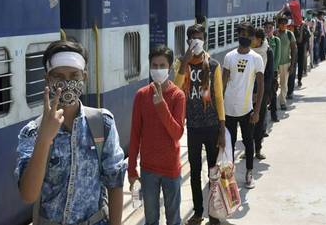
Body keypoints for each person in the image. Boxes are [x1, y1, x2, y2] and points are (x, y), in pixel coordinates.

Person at [15, 40, 126, 225]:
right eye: (59, 76)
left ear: (84, 77)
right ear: (47, 79)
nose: (66, 83)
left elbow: (114, 183)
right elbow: (28, 195)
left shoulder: (102, 123)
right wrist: (44, 139)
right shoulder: (32, 132)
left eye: (74, 75)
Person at [128, 45, 186, 225]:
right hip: (148, 170)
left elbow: (176, 134)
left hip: (171, 169)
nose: (158, 69)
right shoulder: (141, 95)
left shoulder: (178, 96)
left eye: (162, 65)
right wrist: (131, 169)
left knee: (173, 219)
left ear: (169, 68)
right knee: (151, 219)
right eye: (155, 65)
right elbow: (135, 134)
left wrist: (161, 106)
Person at [174, 24, 225, 225]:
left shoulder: (213, 65)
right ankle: (198, 212)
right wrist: (185, 62)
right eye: (193, 38)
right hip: (193, 127)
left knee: (214, 172)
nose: (196, 41)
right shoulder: (181, 64)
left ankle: (214, 212)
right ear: (187, 41)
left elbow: (219, 97)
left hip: (212, 126)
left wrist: (222, 129)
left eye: (199, 37)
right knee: (194, 171)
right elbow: (176, 89)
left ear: (205, 40)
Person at [223, 22, 264, 189]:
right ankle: (230, 173)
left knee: (248, 142)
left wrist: (257, 111)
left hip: (246, 109)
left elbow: (260, 87)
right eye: (242, 34)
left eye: (247, 34)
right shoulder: (229, 57)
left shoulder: (256, 58)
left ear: (252, 37)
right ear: (238, 36)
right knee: (229, 143)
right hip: (228, 109)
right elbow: (223, 82)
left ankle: (249, 172)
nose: (244, 37)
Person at [251, 27, 274, 160]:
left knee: (259, 120)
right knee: (248, 122)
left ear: (259, 39)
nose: (250, 40)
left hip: (262, 91)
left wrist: (260, 93)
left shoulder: (267, 51)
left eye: (252, 38)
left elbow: (269, 75)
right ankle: (249, 147)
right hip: (248, 91)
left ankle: (258, 149)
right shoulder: (248, 51)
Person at [275, 16, 297, 110]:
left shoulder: (289, 34)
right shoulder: (275, 34)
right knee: (273, 84)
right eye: (282, 23)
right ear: (278, 24)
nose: (284, 25)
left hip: (285, 63)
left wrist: (292, 64)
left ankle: (282, 102)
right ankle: (272, 103)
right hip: (275, 64)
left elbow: (294, 50)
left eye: (285, 23)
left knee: (284, 84)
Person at [264, 20, 281, 122]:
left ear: (273, 29)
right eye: (266, 28)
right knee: (264, 95)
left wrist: (274, 70)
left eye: (270, 28)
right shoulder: (262, 41)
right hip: (263, 71)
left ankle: (274, 115)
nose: (268, 30)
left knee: (273, 93)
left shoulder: (276, 41)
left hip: (272, 71)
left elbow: (277, 57)